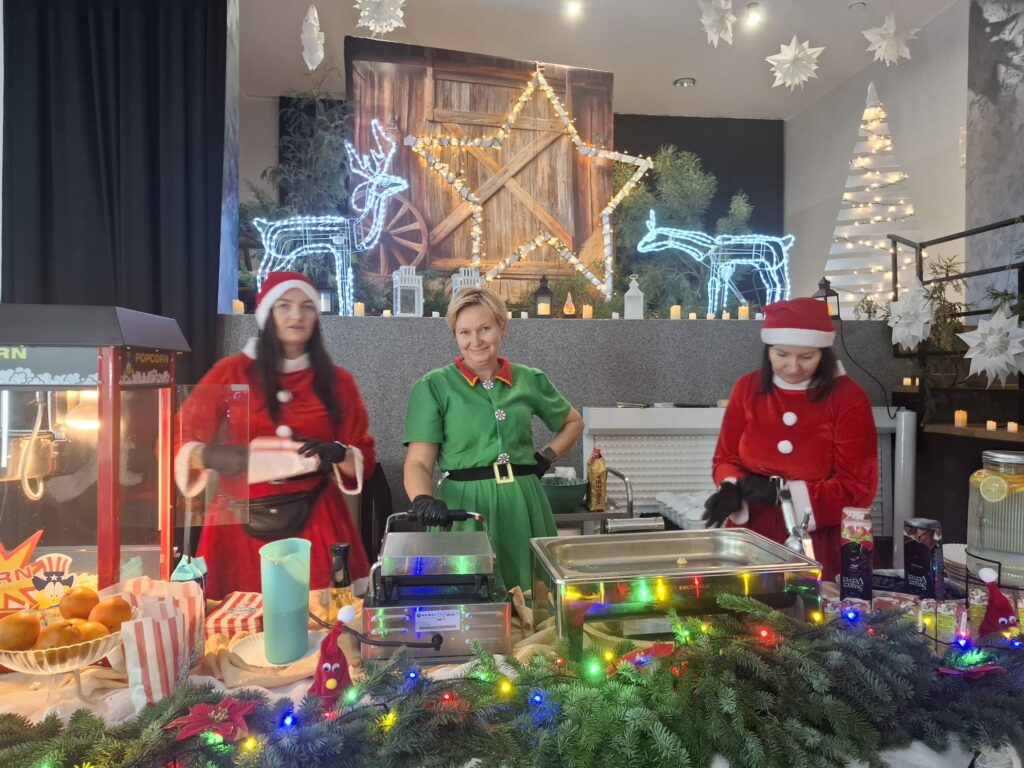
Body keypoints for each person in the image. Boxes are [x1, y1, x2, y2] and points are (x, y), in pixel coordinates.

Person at [175, 272, 374, 599]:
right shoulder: (230, 372)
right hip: (237, 523)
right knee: (235, 619)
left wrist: (339, 453)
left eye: (307, 306)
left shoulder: (338, 381)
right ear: (267, 313)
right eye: (284, 306)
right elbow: (179, 436)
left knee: (321, 619)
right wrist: (208, 455)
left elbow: (363, 451)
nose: (297, 315)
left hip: (316, 519)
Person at [403, 287, 584, 592]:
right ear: (455, 335)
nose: (475, 340)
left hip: (524, 503)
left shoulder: (529, 379)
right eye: (464, 332)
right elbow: (419, 463)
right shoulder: (434, 386)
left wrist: (544, 459)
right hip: (464, 507)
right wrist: (422, 500)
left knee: (534, 596)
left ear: (502, 327)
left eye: (484, 328)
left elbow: (573, 422)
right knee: (468, 596)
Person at [703, 297, 878, 580]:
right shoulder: (747, 388)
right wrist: (731, 487)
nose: (793, 367)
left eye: (806, 357)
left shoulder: (848, 398)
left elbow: (857, 488)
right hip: (752, 539)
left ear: (823, 353)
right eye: (782, 354)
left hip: (817, 543)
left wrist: (783, 495)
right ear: (768, 350)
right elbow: (726, 457)